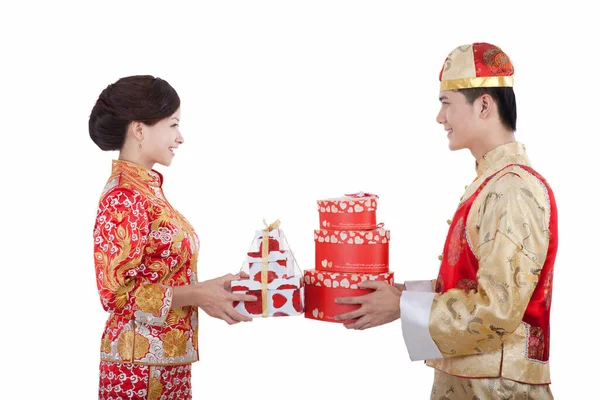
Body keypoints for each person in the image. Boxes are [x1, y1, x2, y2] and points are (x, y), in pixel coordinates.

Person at [334, 43, 558, 399]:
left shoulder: (513, 188)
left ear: (484, 105)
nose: (440, 118)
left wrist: (404, 307)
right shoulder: (492, 183)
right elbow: (474, 284)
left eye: (446, 103)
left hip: (496, 390)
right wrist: (403, 295)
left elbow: (497, 311)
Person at [89, 75, 257, 399]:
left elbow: (160, 276)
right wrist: (197, 294)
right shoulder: (124, 196)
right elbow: (115, 294)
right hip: (137, 369)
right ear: (139, 129)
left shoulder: (148, 191)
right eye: (173, 124)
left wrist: (208, 291)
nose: (179, 138)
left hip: (167, 363)